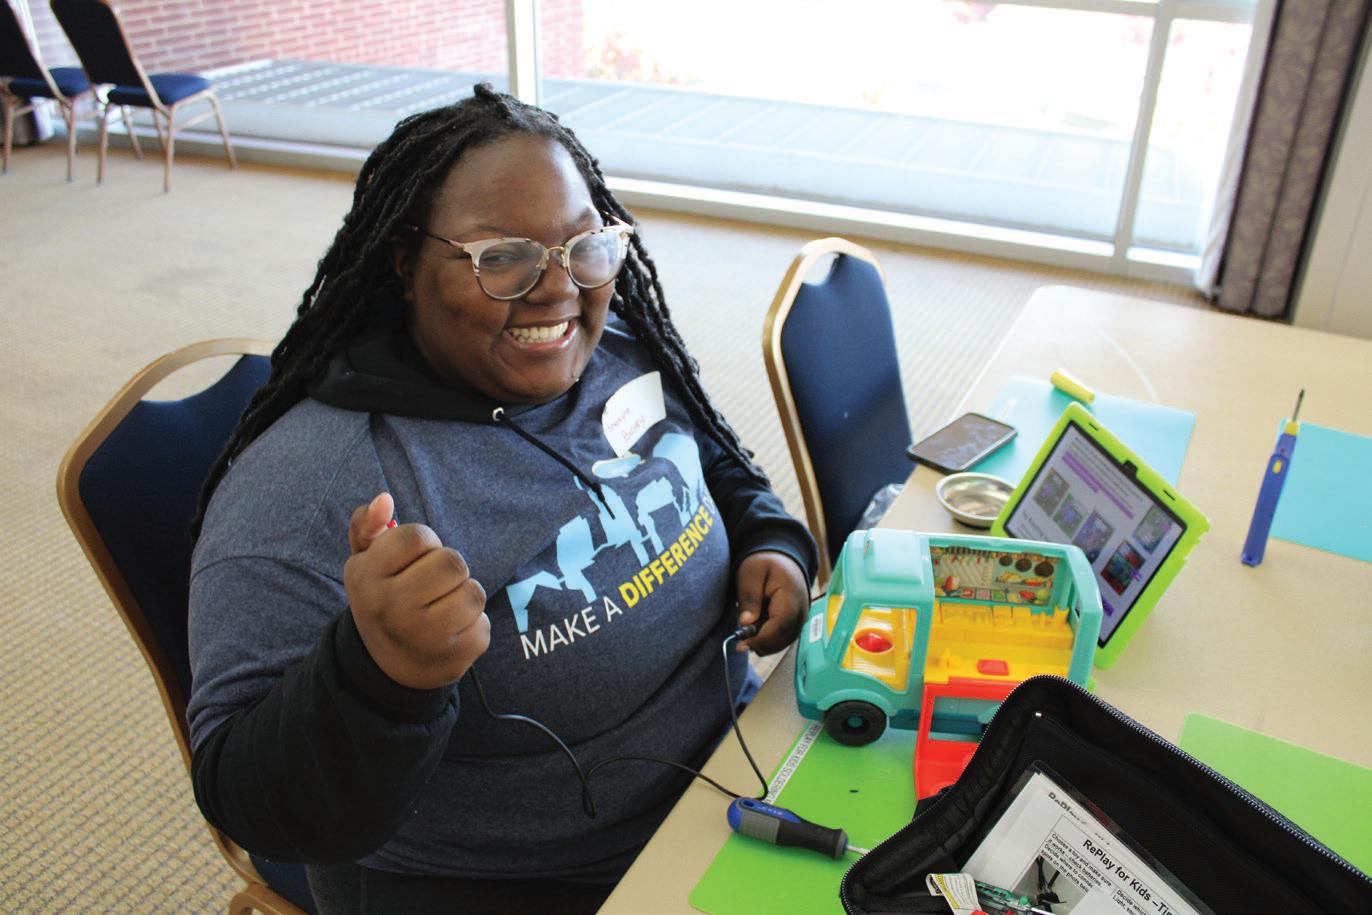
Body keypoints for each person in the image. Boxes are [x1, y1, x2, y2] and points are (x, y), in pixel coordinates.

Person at [186, 84, 817, 914]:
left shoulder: (616, 345)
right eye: (503, 258)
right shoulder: (315, 486)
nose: (558, 291)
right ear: (405, 260)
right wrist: (380, 677)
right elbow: (244, 797)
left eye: (586, 246)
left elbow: (710, 462)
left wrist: (770, 538)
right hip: (529, 880)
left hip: (737, 768)